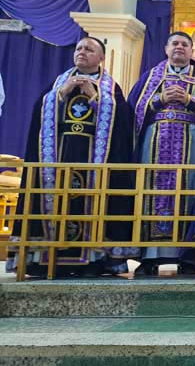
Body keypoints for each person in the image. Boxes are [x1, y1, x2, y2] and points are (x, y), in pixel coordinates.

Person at [9, 37, 135, 276]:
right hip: (59, 157)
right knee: (58, 203)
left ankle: (93, 261)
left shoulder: (111, 88)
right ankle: (47, 260)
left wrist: (96, 97)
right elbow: (39, 113)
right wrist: (60, 94)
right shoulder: (59, 83)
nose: (82, 52)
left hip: (94, 161)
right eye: (79, 48)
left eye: (89, 49)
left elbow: (123, 122)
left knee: (91, 205)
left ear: (101, 58)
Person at [128, 31, 195, 276]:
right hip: (154, 143)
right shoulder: (150, 77)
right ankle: (149, 256)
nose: (179, 47)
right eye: (174, 43)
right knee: (150, 191)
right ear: (166, 49)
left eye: (184, 44)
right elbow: (134, 109)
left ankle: (188, 255)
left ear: (192, 51)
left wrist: (189, 100)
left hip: (192, 142)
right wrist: (160, 99)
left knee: (190, 190)